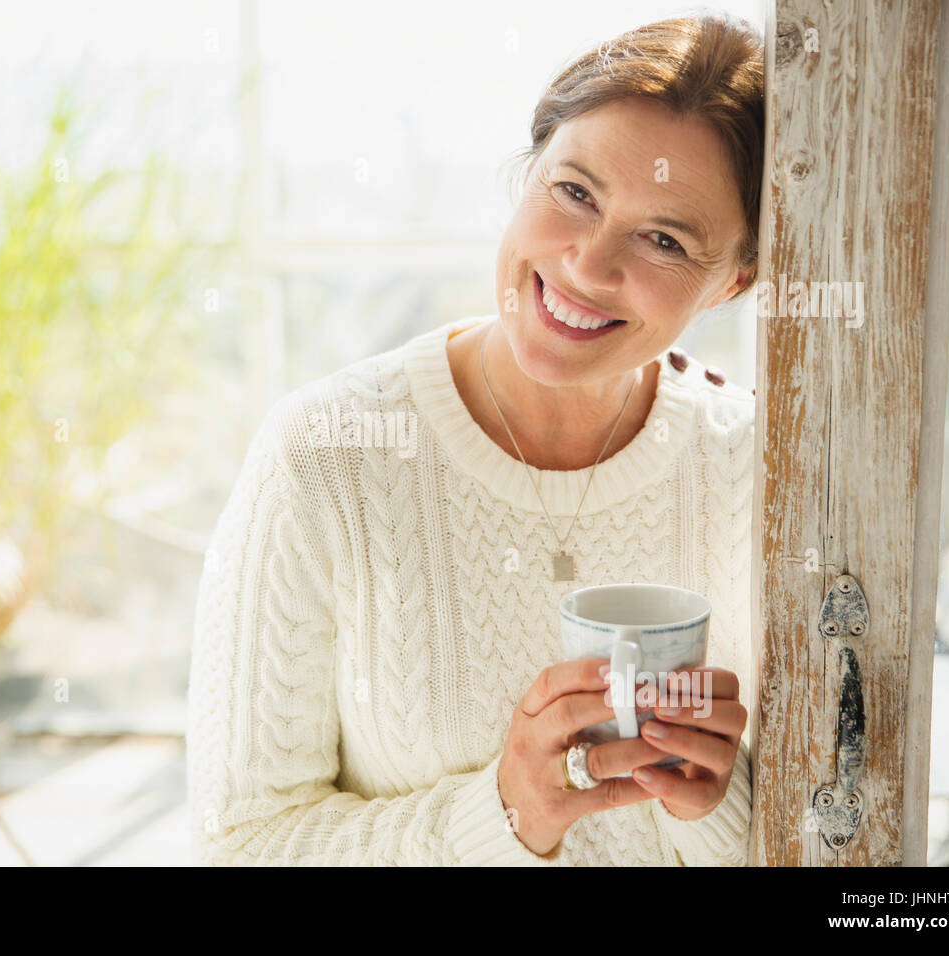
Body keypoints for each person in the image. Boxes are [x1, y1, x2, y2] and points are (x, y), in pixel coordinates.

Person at [187, 12, 762, 865]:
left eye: (665, 239)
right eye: (574, 192)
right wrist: (503, 811)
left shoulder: (757, 470)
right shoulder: (325, 458)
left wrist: (711, 804)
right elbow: (239, 846)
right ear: (527, 171)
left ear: (732, 283)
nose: (587, 266)